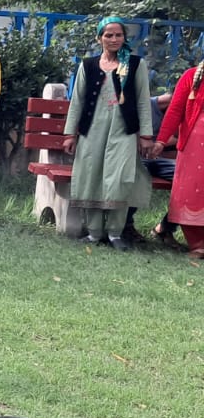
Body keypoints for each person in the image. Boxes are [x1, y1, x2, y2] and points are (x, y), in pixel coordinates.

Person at [63, 17, 153, 250]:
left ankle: (115, 233)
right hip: (92, 130)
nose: (114, 39)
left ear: (124, 38)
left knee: (120, 179)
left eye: (118, 35)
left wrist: (145, 135)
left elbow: (143, 101)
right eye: (108, 35)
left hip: (123, 131)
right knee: (91, 176)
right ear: (99, 38)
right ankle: (94, 232)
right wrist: (69, 134)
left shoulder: (135, 64)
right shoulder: (88, 65)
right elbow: (77, 101)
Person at [156, 59, 204, 259]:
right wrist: (161, 141)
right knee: (192, 192)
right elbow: (175, 110)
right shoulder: (192, 76)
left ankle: (163, 228)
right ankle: (197, 243)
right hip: (194, 147)